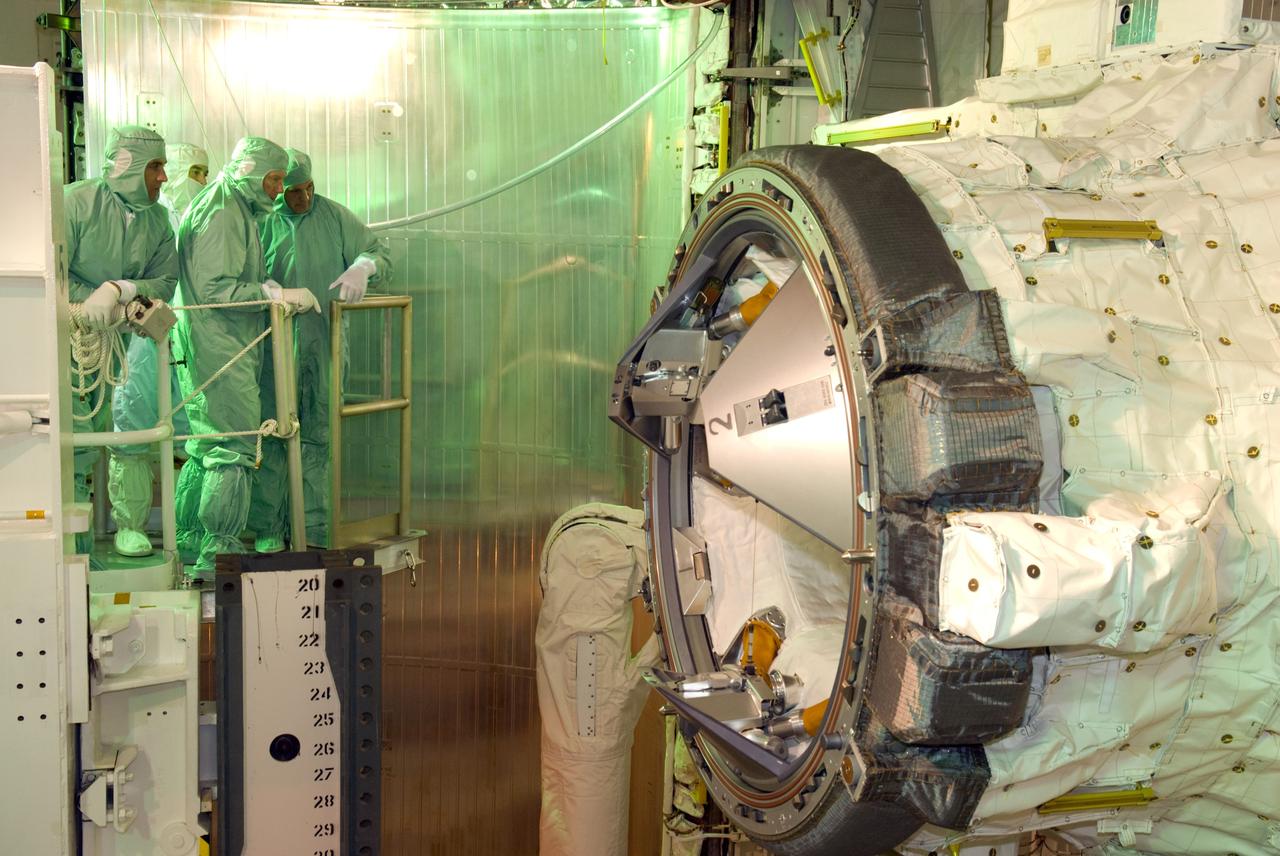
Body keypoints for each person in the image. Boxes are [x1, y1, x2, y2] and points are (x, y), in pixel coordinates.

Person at [172, 136, 319, 574]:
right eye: (273, 179)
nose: (278, 188)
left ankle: (193, 539)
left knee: (207, 446)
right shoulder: (222, 213)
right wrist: (272, 295)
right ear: (249, 172)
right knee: (232, 447)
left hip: (215, 344)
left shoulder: (231, 206)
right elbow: (217, 289)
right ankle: (218, 555)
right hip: (222, 346)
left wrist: (265, 289)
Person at [252, 148, 392, 551]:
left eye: (310, 188)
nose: (304, 197)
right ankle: (267, 527)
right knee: (272, 430)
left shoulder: (333, 217)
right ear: (277, 188)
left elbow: (378, 250)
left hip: (325, 342)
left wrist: (364, 266)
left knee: (320, 432)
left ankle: (314, 528)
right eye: (295, 190)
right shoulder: (261, 221)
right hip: (272, 347)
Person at [64, 125, 177, 560]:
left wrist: (119, 288)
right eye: (155, 167)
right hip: (62, 345)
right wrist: (80, 303)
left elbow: (166, 279)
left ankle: (93, 542)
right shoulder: (76, 203)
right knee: (69, 443)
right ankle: (70, 549)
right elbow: (48, 270)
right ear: (127, 165)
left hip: (113, 348)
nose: (163, 178)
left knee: (100, 434)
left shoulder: (158, 220)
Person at [108, 141, 210, 557]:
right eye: (195, 172)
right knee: (133, 426)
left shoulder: (213, 219)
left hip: (196, 336)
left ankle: (191, 526)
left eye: (204, 173)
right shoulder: (146, 220)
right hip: (146, 338)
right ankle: (130, 526)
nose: (200, 181)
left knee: (201, 433)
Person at [159, 142, 210, 232]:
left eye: (205, 174)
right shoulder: (153, 214)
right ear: (174, 173)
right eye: (196, 172)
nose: (203, 181)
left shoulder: (199, 214)